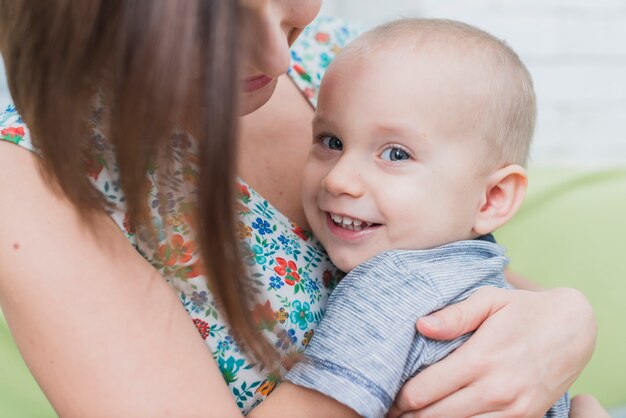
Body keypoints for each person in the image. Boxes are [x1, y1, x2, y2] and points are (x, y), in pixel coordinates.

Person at [0, 1, 603, 417]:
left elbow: (464, 270)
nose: (278, 56)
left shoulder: (342, 61)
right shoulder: (35, 177)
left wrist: (566, 320)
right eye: (217, 21)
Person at [282, 18, 567, 418]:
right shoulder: (476, 267)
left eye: (396, 154)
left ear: (491, 199)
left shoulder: (390, 287)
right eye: (332, 142)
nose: (339, 179)